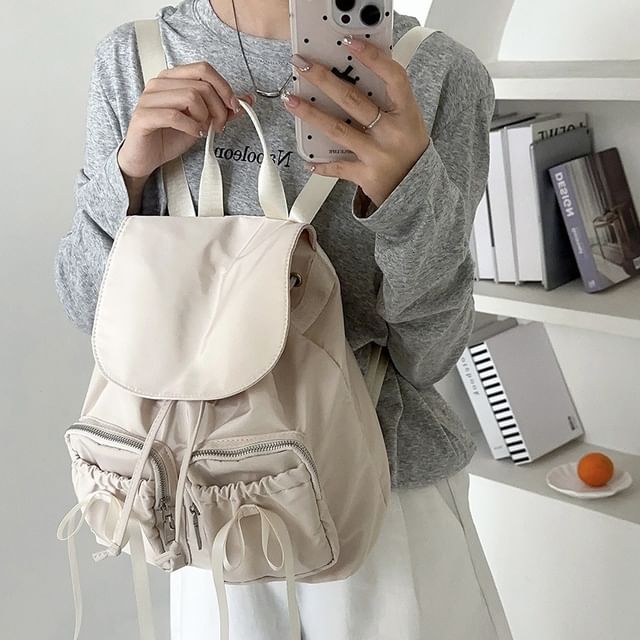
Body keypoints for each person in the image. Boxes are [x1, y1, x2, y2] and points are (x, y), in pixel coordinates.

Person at [54, 0, 502, 638]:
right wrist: (128, 175)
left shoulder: (436, 73)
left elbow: (428, 356)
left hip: (376, 496)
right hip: (201, 497)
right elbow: (88, 309)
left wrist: (408, 198)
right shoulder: (135, 58)